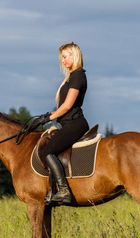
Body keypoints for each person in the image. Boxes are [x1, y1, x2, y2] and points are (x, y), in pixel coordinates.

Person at [33, 42, 89, 204]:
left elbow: (67, 105)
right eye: (61, 58)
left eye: (65, 57)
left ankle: (64, 190)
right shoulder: (71, 77)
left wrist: (49, 118)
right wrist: (48, 115)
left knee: (47, 152)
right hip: (67, 124)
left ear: (74, 55)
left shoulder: (78, 76)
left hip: (75, 123)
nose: (63, 61)